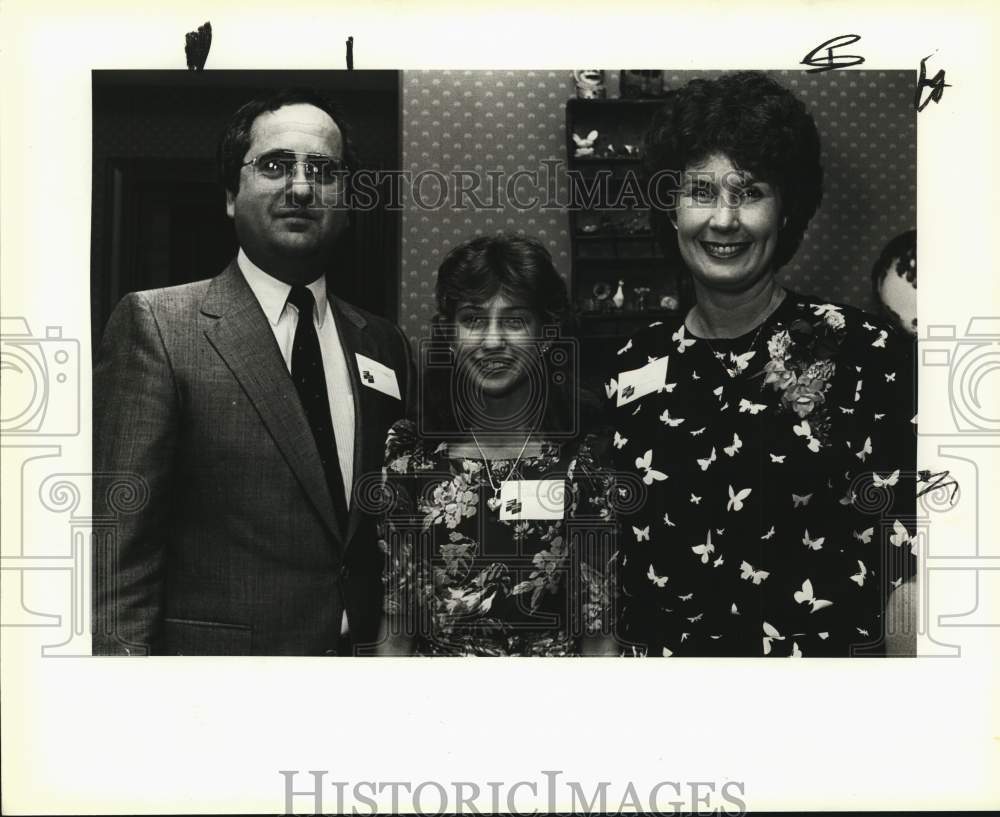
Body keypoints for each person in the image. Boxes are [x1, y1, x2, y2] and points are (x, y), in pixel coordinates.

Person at [92, 88, 413, 656]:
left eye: (323, 170)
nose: (301, 187)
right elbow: (121, 558)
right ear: (230, 195)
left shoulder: (383, 344)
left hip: (364, 677)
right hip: (219, 690)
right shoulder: (160, 326)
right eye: (274, 165)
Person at [607, 71, 917, 657]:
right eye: (700, 190)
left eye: (749, 192)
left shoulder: (860, 349)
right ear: (670, 209)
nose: (723, 219)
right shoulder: (633, 363)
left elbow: (903, 562)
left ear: (786, 209)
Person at [377, 234, 618, 656]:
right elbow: (396, 629)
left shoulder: (585, 463)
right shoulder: (409, 460)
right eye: (473, 319)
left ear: (545, 336)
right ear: (450, 337)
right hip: (436, 708)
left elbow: (599, 636)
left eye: (514, 321)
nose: (492, 341)